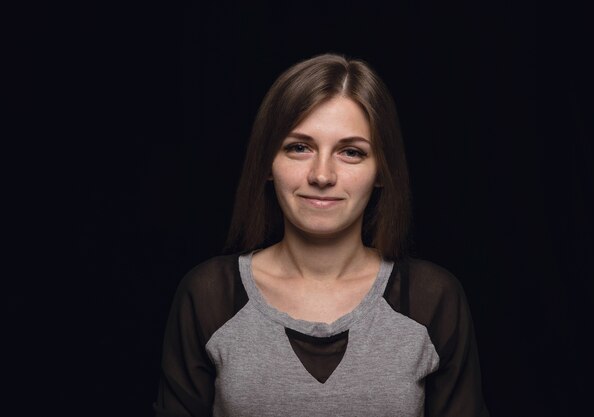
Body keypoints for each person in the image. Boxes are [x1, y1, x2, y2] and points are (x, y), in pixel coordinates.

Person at [154, 53, 489, 417]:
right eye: (299, 147)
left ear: (382, 170)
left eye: (350, 152)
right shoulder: (210, 296)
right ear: (268, 162)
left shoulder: (432, 299)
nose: (322, 175)